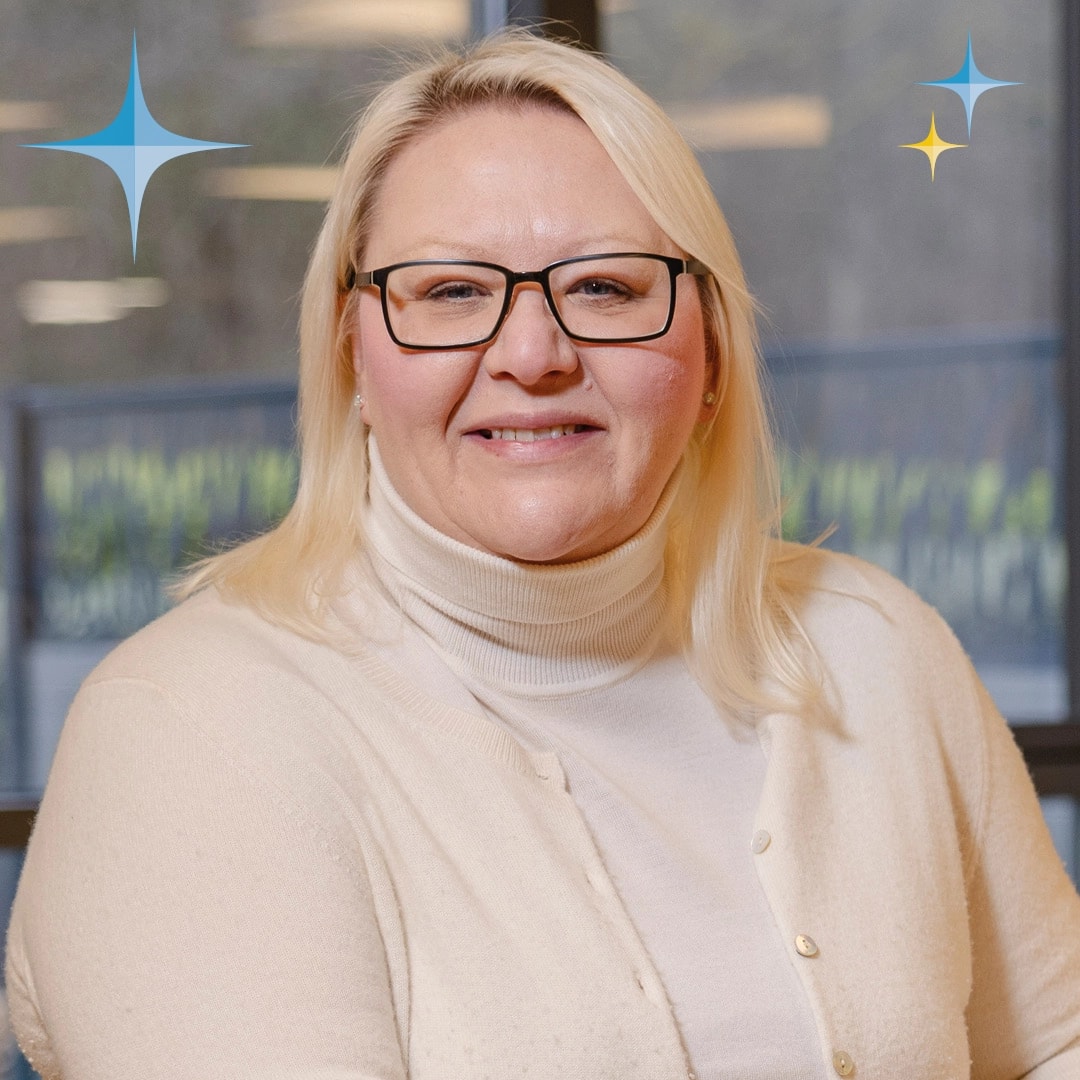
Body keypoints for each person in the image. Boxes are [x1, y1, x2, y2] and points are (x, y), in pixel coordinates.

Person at [6, 31, 1080, 1080]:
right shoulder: (190, 728)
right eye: (452, 293)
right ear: (352, 358)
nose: (533, 355)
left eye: (608, 288)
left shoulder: (878, 647)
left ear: (708, 354)